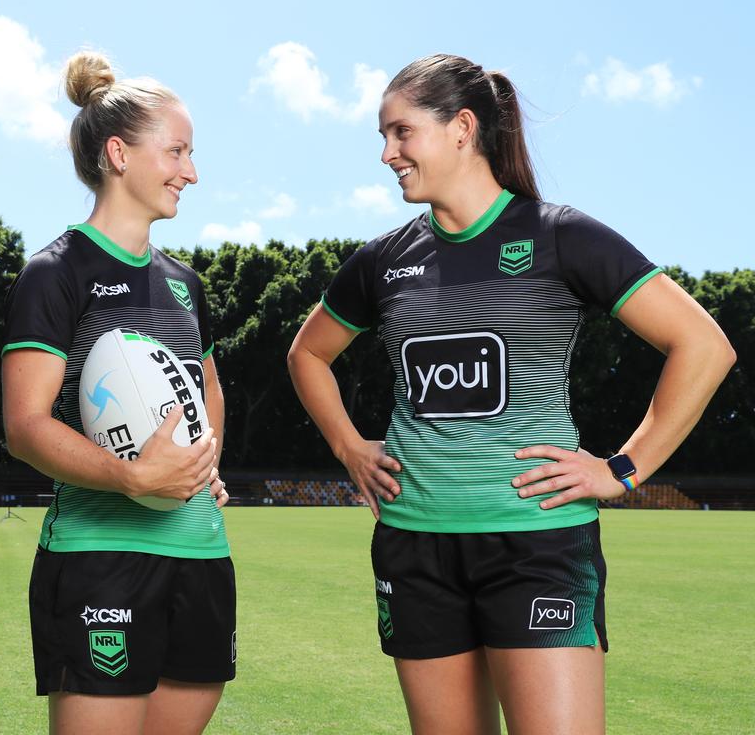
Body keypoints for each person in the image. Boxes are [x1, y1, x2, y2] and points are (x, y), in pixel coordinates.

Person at [286, 53, 735, 735]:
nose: (387, 154)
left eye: (401, 133)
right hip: (414, 548)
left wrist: (622, 468)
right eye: (383, 136)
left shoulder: (559, 236)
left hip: (537, 545)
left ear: (462, 128)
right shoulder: (382, 260)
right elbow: (307, 353)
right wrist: (350, 447)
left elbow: (703, 346)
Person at [1, 51, 235, 735]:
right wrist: (131, 476)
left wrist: (203, 457)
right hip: (99, 560)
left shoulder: (187, 283)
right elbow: (24, 425)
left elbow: (209, 383)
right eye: (177, 151)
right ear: (118, 154)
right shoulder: (56, 274)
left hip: (200, 555)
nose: (191, 171)